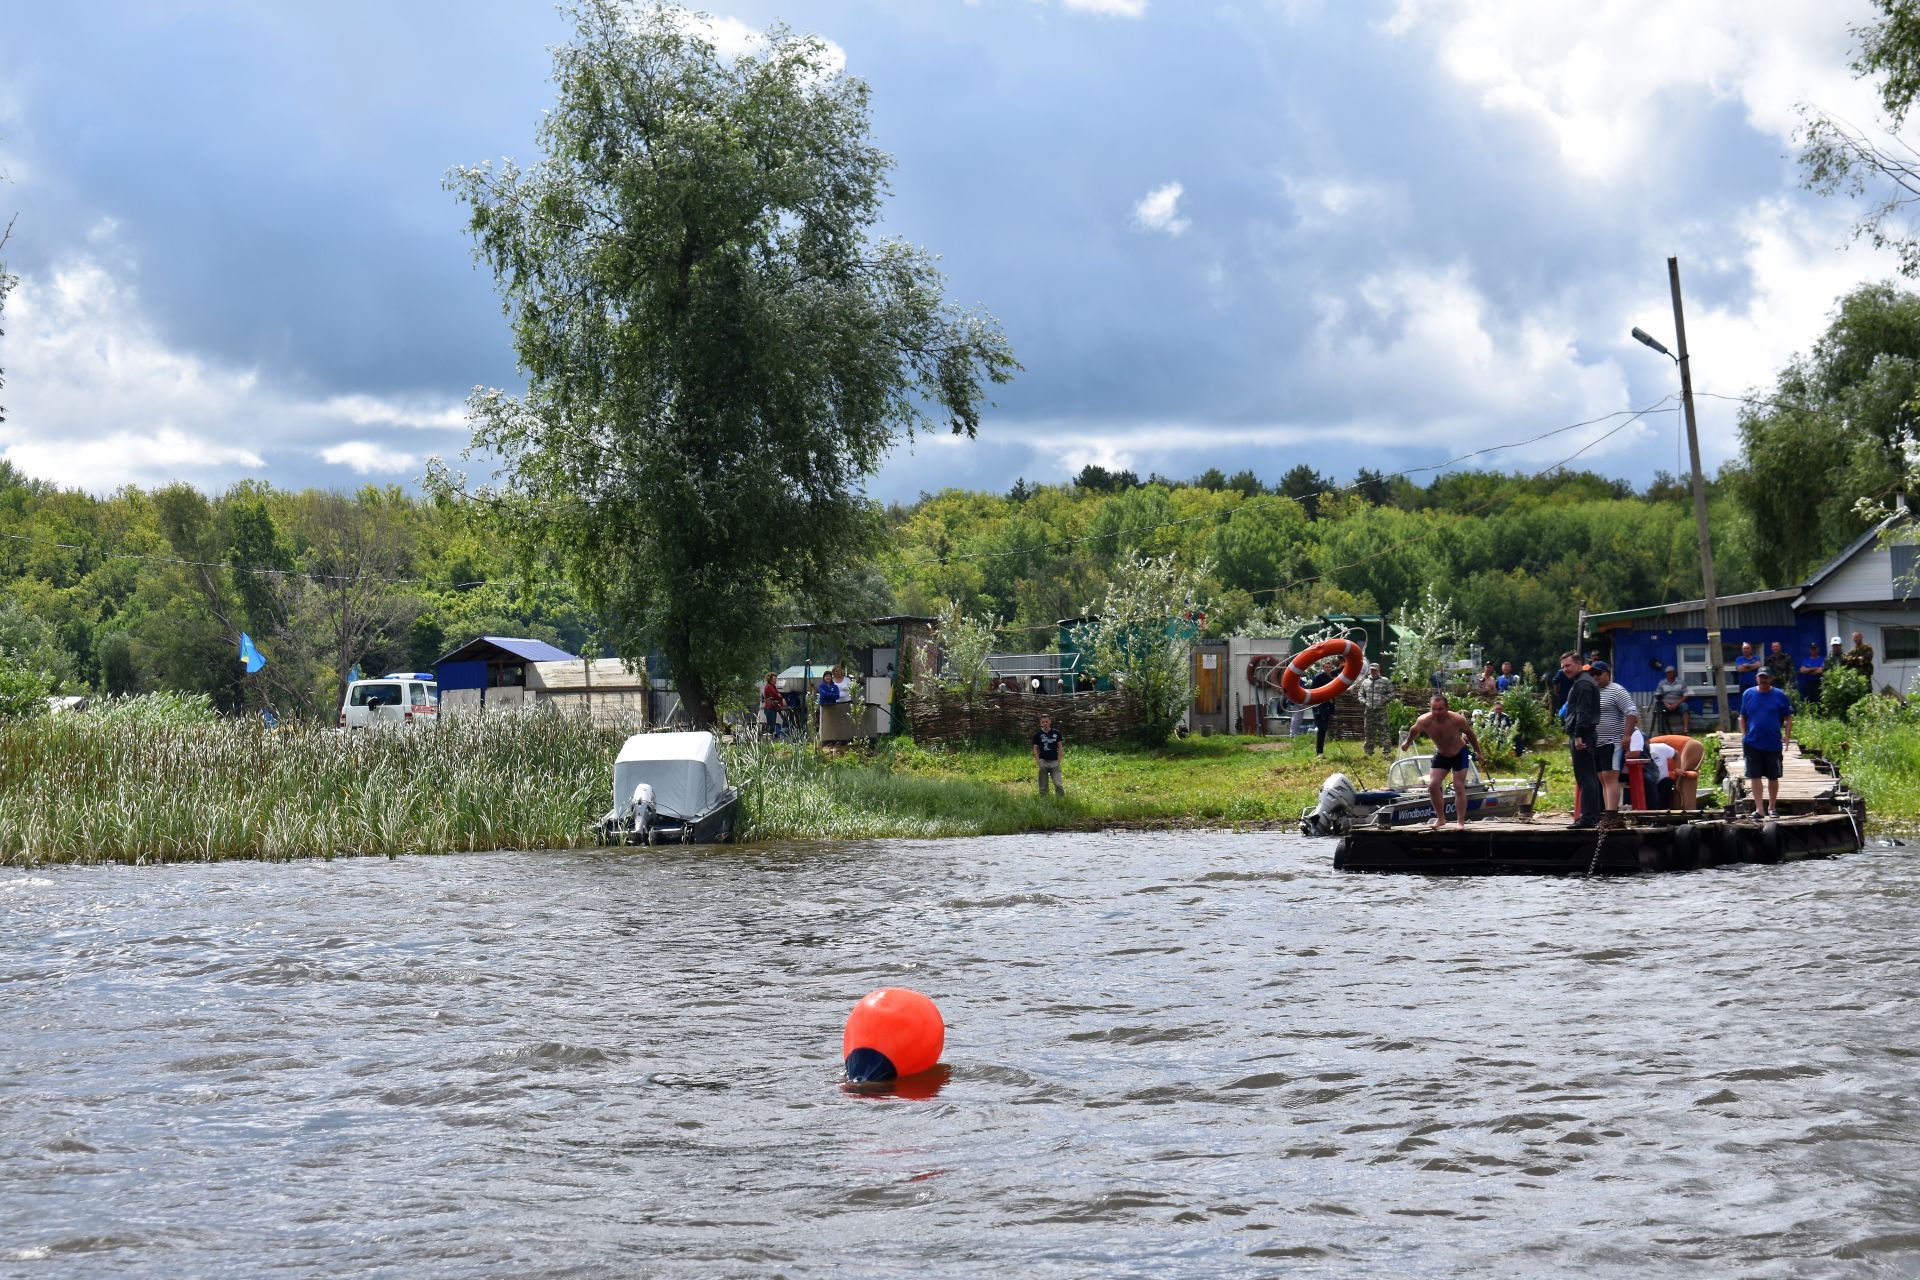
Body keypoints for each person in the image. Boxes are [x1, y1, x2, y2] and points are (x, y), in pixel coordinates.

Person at [1398, 693, 1485, 831]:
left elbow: (1470, 734)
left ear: (1447, 708)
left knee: (1458, 786)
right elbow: (1414, 730)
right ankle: (1441, 818)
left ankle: (1460, 822)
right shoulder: (1424, 720)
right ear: (1430, 708)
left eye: (1440, 709)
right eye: (1434, 709)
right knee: (1432, 786)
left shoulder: (1457, 719)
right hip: (1442, 754)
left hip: (1459, 753)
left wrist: (1479, 752)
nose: (1437, 712)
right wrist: (1407, 743)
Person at [1738, 667, 1794, 819]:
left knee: (1773, 776)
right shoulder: (1748, 694)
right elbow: (1742, 716)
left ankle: (1772, 807)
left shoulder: (1779, 695)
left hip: (1773, 743)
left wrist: (1787, 738)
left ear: (1771, 679)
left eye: (1766, 677)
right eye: (1760, 677)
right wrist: (1744, 735)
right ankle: (1759, 809)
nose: (1763, 680)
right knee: (1754, 776)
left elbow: (1788, 717)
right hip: (1752, 743)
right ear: (1757, 678)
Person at [1560, 651, 1604, 829]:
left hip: (1583, 735)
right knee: (1588, 777)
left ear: (1579, 664)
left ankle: (1588, 817)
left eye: (1568, 666)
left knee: (1585, 778)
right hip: (1584, 733)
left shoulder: (1584, 684)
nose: (1565, 670)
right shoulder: (1583, 681)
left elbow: (1583, 712)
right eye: (1563, 667)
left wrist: (1578, 735)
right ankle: (1592, 816)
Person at [1591, 660, 1638, 816]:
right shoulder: (1593, 691)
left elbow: (1631, 712)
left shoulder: (1617, 690)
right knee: (1602, 778)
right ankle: (1607, 811)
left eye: (1598, 673)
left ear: (1607, 674)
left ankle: (1612, 814)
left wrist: (1627, 735)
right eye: (1593, 674)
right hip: (1596, 743)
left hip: (1612, 742)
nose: (1595, 677)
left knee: (1610, 777)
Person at [1352, 660, 1396, 757]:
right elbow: (1360, 694)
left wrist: (1383, 700)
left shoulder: (1385, 681)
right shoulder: (1365, 682)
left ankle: (1386, 752)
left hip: (1381, 711)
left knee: (1384, 731)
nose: (1373, 671)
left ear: (1379, 670)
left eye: (1375, 670)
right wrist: (1364, 702)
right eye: (1372, 670)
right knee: (1369, 732)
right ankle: (1368, 752)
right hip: (1369, 711)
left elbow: (1392, 693)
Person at [1651, 733, 1705, 809]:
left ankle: (1662, 812)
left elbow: (1676, 754)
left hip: (1664, 780)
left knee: (1667, 782)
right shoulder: (1639, 752)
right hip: (1649, 781)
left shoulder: (1660, 747)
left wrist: (1677, 768)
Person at [1309, 657, 1339, 757]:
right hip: (1318, 707)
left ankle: (1320, 751)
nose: (1329, 668)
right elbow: (1313, 692)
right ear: (1323, 667)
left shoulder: (1331, 679)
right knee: (1321, 728)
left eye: (1330, 667)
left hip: (1327, 707)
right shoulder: (1318, 678)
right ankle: (1319, 752)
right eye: (1327, 666)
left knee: (1324, 729)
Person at [1031, 713, 1065, 796]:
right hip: (1043, 761)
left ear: (1050, 721)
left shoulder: (1057, 733)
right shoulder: (1037, 735)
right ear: (1040, 723)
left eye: (1046, 721)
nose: (1045, 723)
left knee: (1058, 784)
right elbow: (1035, 748)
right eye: (1043, 722)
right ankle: (1044, 801)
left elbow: (1060, 747)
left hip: (1054, 761)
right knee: (1043, 787)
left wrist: (1059, 761)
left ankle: (1061, 802)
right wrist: (1038, 761)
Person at [1654, 665, 1689, 736]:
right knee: (1659, 709)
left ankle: (1686, 729)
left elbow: (1685, 695)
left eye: (1670, 672)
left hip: (1678, 703)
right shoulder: (1662, 683)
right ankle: (1662, 731)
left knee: (1685, 707)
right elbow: (1658, 695)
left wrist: (1676, 704)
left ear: (1674, 672)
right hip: (1666, 703)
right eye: (1667, 673)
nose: (1669, 674)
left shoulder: (1681, 682)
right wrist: (1666, 704)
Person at [1797, 642, 1825, 706]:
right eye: (1812, 648)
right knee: (1809, 703)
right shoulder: (1806, 660)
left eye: (1815, 648)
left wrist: (1808, 671)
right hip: (1808, 684)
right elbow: (1802, 670)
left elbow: (1820, 671)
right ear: (1810, 650)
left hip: (1819, 683)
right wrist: (1814, 668)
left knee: (1819, 702)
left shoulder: (1822, 659)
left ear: (1818, 649)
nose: (1813, 650)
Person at [761, 670, 785, 738]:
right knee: (771, 725)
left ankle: (770, 738)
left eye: (776, 679)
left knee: (772, 724)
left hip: (772, 707)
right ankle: (769, 739)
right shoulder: (769, 686)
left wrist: (779, 696)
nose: (776, 680)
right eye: (774, 679)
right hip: (769, 708)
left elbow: (778, 695)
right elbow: (776, 695)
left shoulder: (773, 686)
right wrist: (779, 696)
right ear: (770, 679)